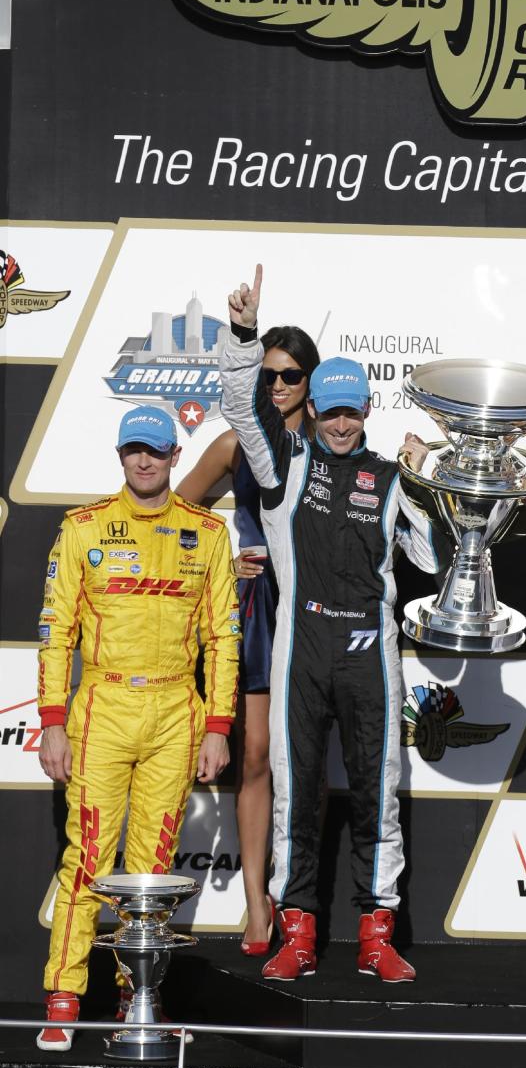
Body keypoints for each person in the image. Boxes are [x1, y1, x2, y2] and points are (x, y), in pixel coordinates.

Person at [219, 265, 440, 983]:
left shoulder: (389, 477)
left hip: (373, 650)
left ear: (367, 411)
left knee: (380, 794)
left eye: (353, 412)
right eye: (331, 410)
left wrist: (426, 486)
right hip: (301, 647)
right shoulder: (283, 465)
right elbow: (242, 407)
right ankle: (299, 934)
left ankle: (377, 937)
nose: (342, 423)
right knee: (296, 791)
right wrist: (244, 338)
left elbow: (435, 562)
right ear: (311, 408)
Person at [36, 405, 239, 1051]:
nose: (144, 461)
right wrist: (51, 721)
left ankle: (137, 996)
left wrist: (218, 724)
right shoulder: (83, 528)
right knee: (87, 858)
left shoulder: (206, 533)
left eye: (155, 450)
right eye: (133, 451)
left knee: (151, 868)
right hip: (103, 705)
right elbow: (55, 634)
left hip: (177, 710)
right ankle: (63, 997)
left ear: (176, 456)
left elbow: (224, 638)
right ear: (120, 455)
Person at [178, 324, 319, 956]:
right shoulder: (238, 442)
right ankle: (257, 903)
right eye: (267, 376)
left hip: (320, 612)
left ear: (310, 383)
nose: (279, 386)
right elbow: (178, 512)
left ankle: (301, 903)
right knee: (256, 755)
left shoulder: (330, 445)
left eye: (290, 376)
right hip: (260, 608)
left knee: (308, 764)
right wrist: (225, 560)